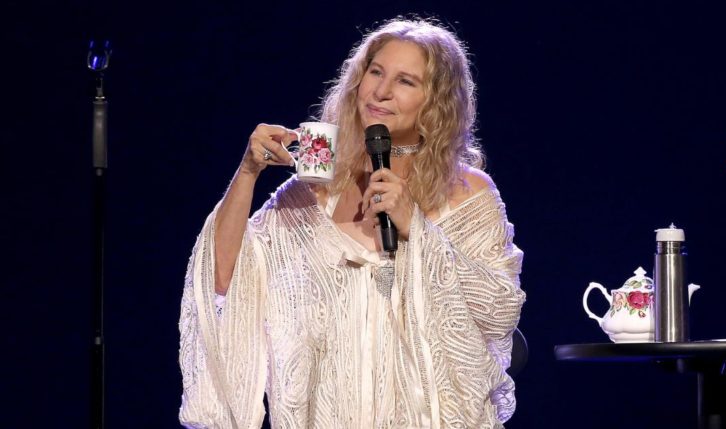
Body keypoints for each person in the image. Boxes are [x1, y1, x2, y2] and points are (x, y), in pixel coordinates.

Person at [179, 17, 525, 428]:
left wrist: (416, 228)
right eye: (375, 72)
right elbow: (223, 279)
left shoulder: (468, 193)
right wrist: (249, 171)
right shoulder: (316, 184)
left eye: (405, 81)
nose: (381, 91)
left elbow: (500, 310)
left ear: (436, 101)